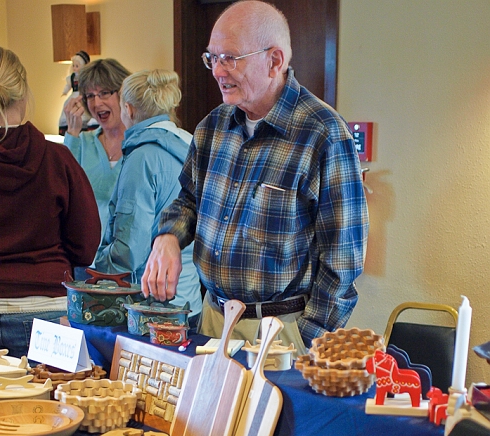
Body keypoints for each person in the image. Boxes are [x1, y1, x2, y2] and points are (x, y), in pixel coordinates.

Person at [141, 0, 368, 354]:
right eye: (212, 58)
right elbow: (188, 201)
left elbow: (343, 260)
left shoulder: (322, 133)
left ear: (274, 60)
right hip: (213, 320)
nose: (217, 71)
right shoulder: (213, 126)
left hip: (281, 333)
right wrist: (167, 237)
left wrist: (307, 339)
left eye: (230, 58)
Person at [0, 46, 100, 358]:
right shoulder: (58, 160)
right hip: (48, 309)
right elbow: (85, 245)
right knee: (56, 406)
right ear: (23, 93)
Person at [93, 69, 202, 321]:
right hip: (190, 298)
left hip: (152, 303)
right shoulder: (190, 144)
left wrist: (95, 267)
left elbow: (130, 248)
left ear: (128, 110)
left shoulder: (141, 158)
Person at [64, 58, 130, 237]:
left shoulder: (140, 144)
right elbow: (62, 192)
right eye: (90, 96)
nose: (96, 103)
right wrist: (72, 132)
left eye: (104, 93)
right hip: (87, 255)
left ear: (123, 94)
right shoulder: (81, 142)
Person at [59, 49, 91, 134]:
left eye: (77, 66)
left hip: (81, 94)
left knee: (81, 106)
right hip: (74, 94)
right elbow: (68, 86)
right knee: (68, 104)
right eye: (74, 66)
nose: (74, 68)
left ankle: (83, 124)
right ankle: (68, 125)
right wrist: (64, 92)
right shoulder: (71, 77)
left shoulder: (84, 77)